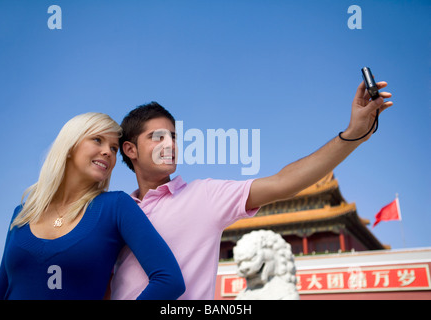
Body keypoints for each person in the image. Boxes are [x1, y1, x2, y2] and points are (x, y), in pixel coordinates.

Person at [110, 81, 393, 299]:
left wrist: (353, 135)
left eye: (173, 136)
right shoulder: (115, 212)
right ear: (130, 149)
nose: (169, 144)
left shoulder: (203, 197)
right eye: (157, 137)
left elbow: (284, 182)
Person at [0, 112, 185, 300]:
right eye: (97, 140)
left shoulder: (116, 207)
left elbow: (169, 280)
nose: (108, 152)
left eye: (114, 148)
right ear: (69, 147)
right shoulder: (23, 213)